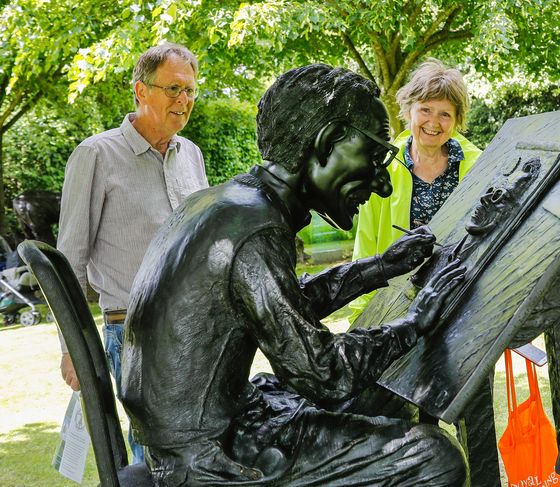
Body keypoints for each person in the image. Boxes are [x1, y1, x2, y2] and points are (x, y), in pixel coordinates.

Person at [120, 64, 468, 487]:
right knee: (435, 458)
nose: (382, 184)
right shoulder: (255, 229)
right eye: (374, 158)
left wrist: (382, 266)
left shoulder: (228, 203)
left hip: (209, 430)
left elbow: (283, 304)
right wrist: (416, 323)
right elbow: (323, 373)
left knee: (387, 395)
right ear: (327, 143)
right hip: (206, 459)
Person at [57, 42, 209, 464]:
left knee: (200, 457)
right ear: (140, 91)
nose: (184, 101)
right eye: (173, 89)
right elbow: (69, 259)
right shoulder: (96, 155)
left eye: (191, 91)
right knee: (155, 462)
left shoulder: (191, 155)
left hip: (197, 333)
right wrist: (72, 347)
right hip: (134, 335)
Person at [348, 59, 482, 322]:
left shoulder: (479, 166)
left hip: (464, 302)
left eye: (445, 114)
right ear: (409, 112)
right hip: (398, 307)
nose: (434, 122)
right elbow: (366, 248)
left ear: (456, 120)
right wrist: (360, 318)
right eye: (425, 110)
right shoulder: (382, 169)